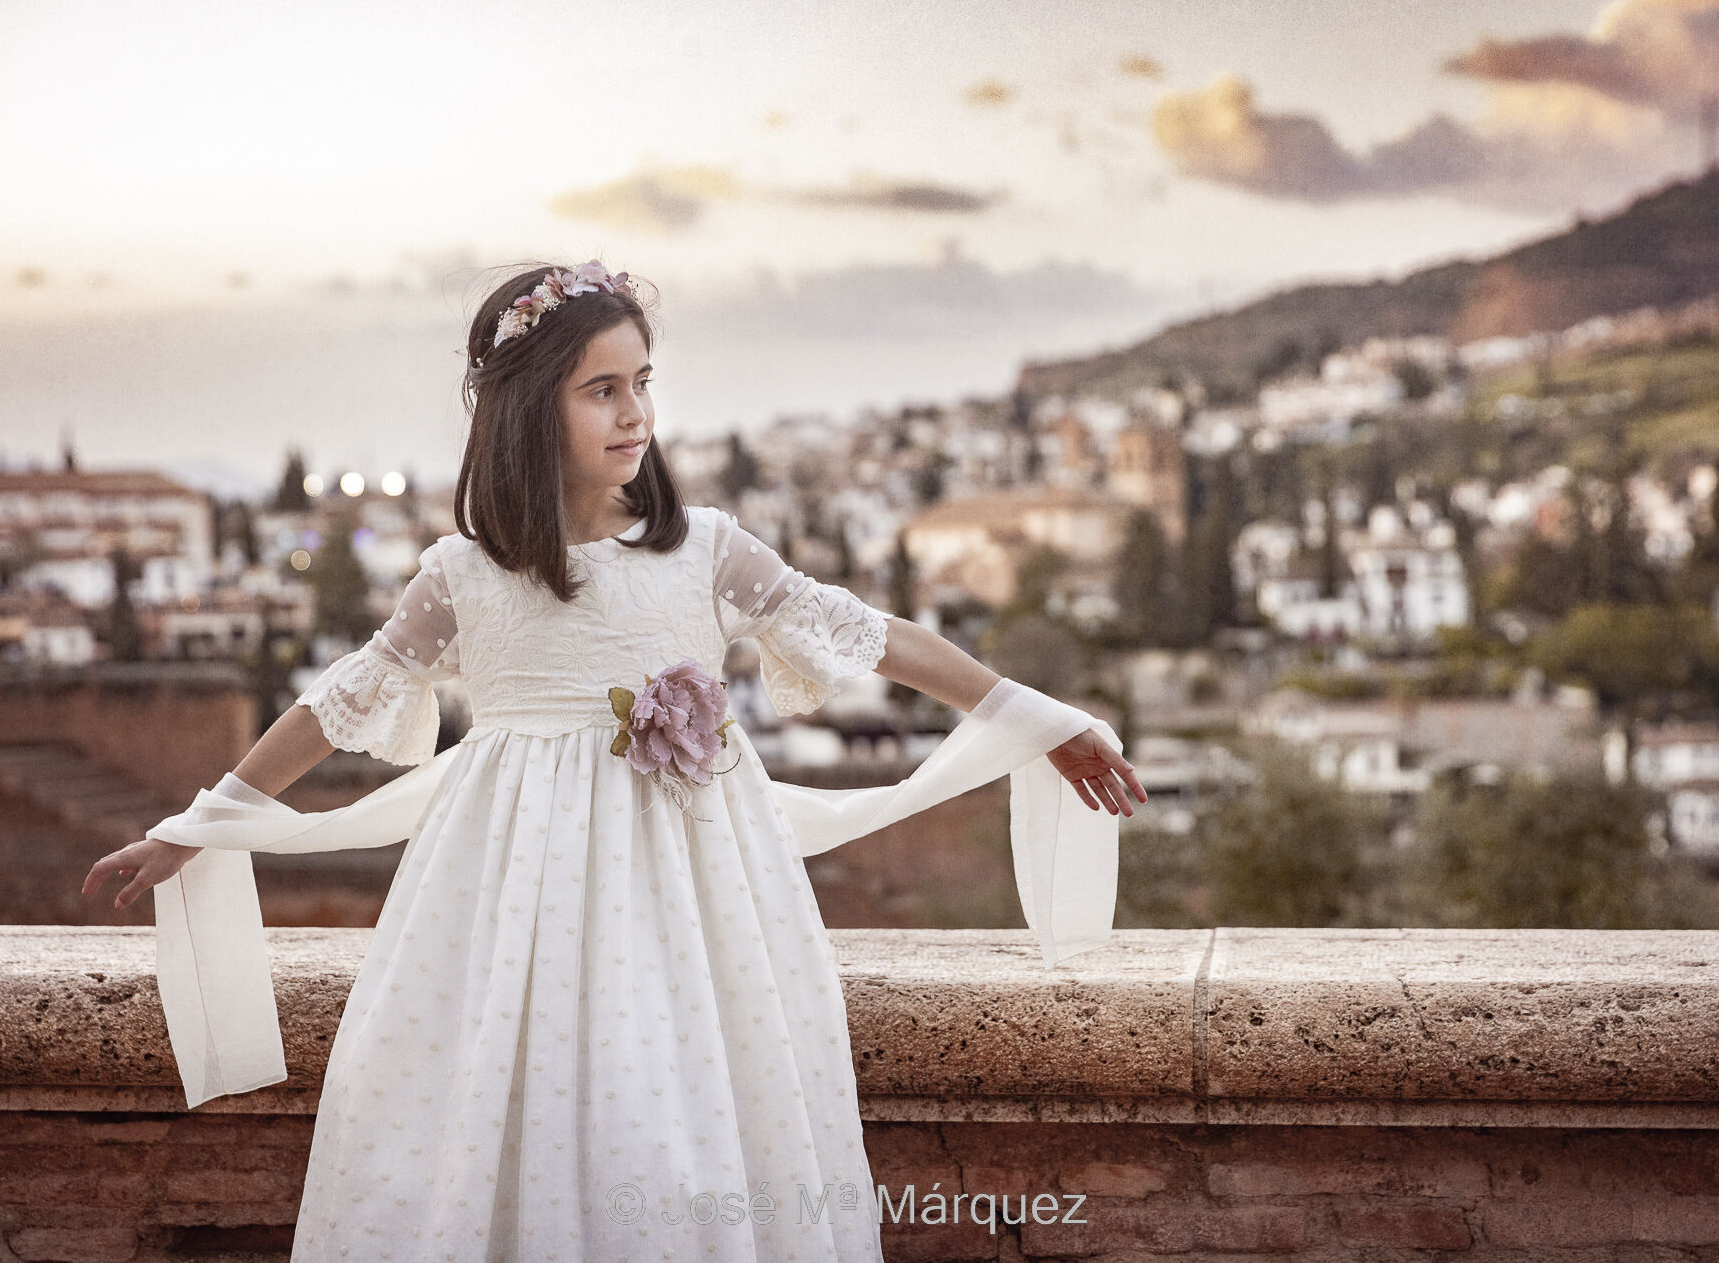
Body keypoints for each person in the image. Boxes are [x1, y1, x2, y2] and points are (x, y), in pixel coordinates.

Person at [81, 259, 1146, 1261]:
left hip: (696, 899)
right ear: (528, 405)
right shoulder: (462, 574)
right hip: (507, 904)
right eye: (601, 389)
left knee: (682, 1119)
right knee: (501, 1119)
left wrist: (1033, 713)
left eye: (642, 382)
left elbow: (870, 633)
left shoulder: (706, 548)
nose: (635, 412)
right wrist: (203, 821)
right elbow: (336, 703)